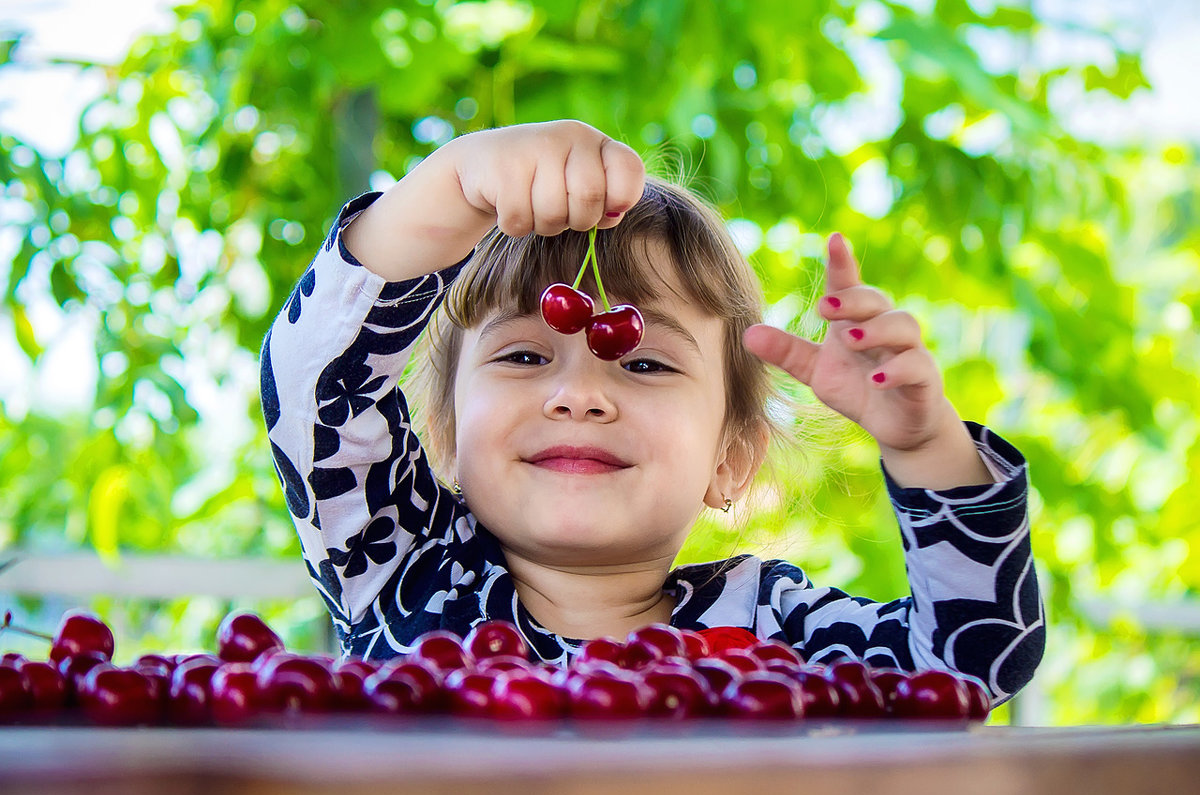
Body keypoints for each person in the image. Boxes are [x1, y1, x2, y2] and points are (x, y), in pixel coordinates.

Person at [260, 120, 1043, 704]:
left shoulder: (773, 632)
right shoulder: (398, 569)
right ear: (447, 436)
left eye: (643, 362)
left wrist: (926, 445)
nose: (581, 394)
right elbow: (315, 388)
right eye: (526, 357)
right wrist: (452, 182)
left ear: (731, 455)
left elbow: (970, 664)